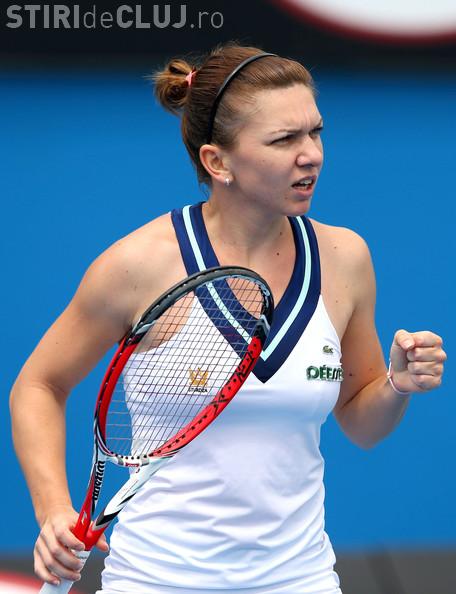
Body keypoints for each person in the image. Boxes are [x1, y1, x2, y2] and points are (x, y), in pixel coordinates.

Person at [10, 42, 446, 594]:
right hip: (155, 581)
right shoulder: (138, 265)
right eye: (284, 139)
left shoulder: (346, 258)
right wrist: (53, 509)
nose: (311, 154)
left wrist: (398, 385)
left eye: (315, 132)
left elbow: (361, 423)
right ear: (218, 162)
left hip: (301, 580)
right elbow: (39, 385)